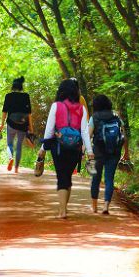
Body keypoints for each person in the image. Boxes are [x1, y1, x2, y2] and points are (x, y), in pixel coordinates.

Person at [38, 78, 92, 218]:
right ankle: (64, 208)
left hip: (58, 146)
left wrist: (43, 147)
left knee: (61, 176)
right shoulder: (82, 109)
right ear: (76, 92)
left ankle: (62, 210)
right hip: (75, 147)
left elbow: (49, 130)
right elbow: (84, 131)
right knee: (67, 176)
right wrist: (89, 151)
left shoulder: (56, 106)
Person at [89, 94, 130, 215]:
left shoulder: (94, 117)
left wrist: (86, 150)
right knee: (109, 178)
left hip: (98, 151)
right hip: (114, 151)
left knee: (95, 178)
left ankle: (94, 206)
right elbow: (124, 135)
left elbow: (89, 135)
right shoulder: (116, 116)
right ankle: (106, 205)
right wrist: (126, 152)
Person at [0, 76, 32, 173]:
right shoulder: (26, 96)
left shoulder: (8, 96)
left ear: (13, 86)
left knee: (9, 144)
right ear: (21, 86)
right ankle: (16, 169)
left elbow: (4, 111)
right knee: (19, 145)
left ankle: (10, 158)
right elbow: (29, 114)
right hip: (23, 124)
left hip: (11, 123)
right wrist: (31, 128)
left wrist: (2, 124)